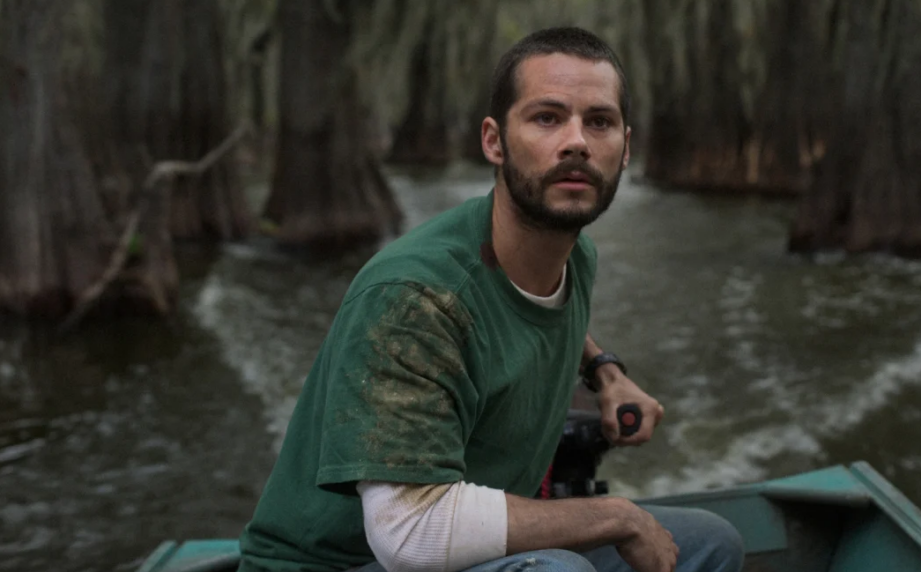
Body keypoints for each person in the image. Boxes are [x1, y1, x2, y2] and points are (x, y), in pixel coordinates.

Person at [238, 27, 744, 572]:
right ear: (493, 141)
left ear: (625, 150)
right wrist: (615, 516)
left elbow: (525, 309)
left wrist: (603, 369)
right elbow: (411, 534)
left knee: (712, 542)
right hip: (341, 563)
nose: (576, 141)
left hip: (457, 543)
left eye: (598, 122)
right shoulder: (414, 298)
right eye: (547, 118)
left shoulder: (574, 259)